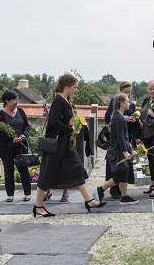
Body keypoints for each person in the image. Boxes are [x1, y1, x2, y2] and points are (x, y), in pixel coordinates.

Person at [33, 73, 106, 217]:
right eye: (74, 87)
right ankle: (38, 206)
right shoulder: (59, 100)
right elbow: (53, 121)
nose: (76, 89)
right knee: (47, 174)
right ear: (67, 86)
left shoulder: (65, 100)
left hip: (64, 144)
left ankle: (89, 200)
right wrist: (70, 129)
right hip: (57, 145)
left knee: (77, 169)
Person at [96, 93, 138, 205]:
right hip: (119, 151)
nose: (129, 103)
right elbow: (119, 136)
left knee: (124, 173)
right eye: (127, 101)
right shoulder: (119, 118)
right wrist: (125, 152)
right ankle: (100, 189)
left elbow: (121, 135)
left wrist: (127, 142)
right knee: (120, 174)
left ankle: (124, 196)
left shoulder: (118, 116)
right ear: (122, 103)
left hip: (121, 148)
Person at [0, 90, 32, 202]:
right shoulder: (0, 114)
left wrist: (24, 135)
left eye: (17, 99)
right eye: (14, 99)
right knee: (8, 170)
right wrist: (11, 139)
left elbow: (27, 126)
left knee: (23, 169)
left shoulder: (20, 111)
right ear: (7, 101)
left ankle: (27, 193)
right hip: (7, 147)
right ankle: (10, 194)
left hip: (21, 145)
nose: (16, 102)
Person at [104, 81, 140, 199]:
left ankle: (123, 192)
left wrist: (133, 119)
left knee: (124, 167)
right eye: (126, 92)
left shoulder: (131, 104)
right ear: (120, 92)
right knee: (117, 165)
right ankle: (113, 189)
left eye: (130, 92)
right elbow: (108, 117)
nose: (128, 94)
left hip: (126, 135)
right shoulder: (115, 103)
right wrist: (123, 118)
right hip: (117, 138)